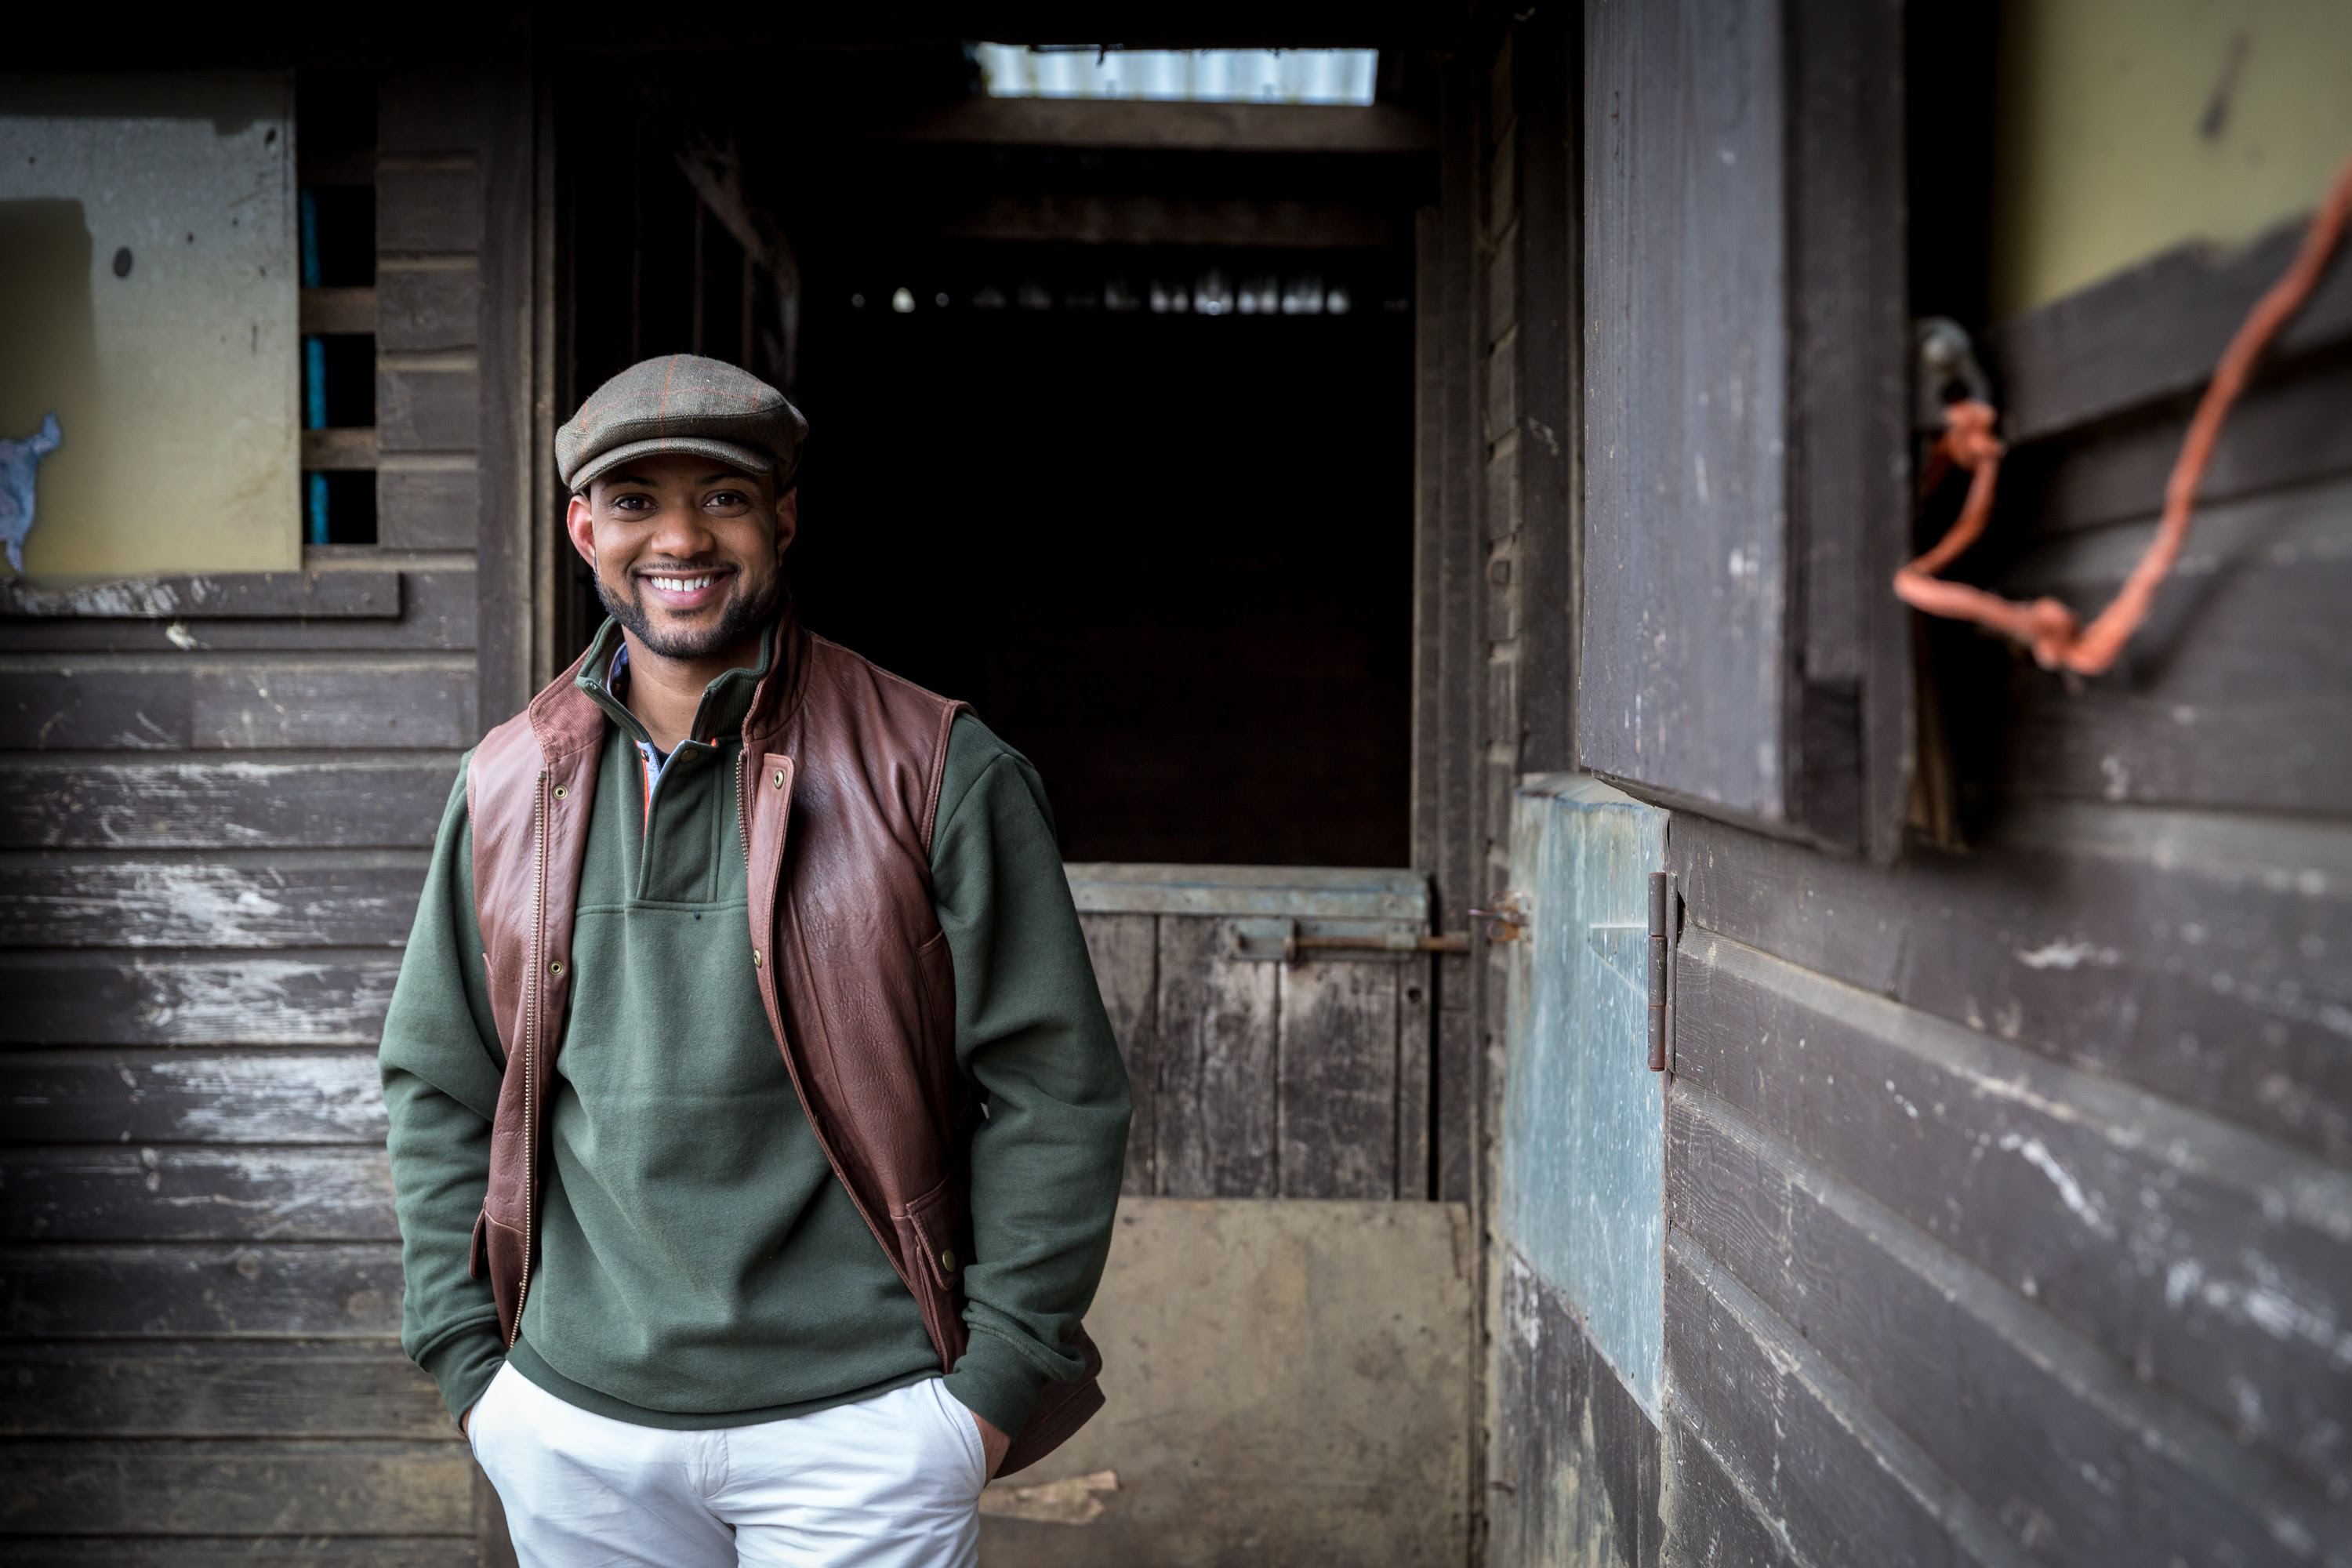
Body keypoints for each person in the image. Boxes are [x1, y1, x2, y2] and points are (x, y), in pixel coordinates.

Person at [379, 353, 1131, 1566]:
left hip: (868, 1422)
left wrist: (989, 1392)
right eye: (635, 502)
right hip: (574, 1425)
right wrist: (475, 1368)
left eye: (723, 496)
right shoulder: (510, 780)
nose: (681, 536)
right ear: (584, 528)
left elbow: (1058, 1090)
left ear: (783, 516)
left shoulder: (940, 768)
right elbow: (438, 1081)